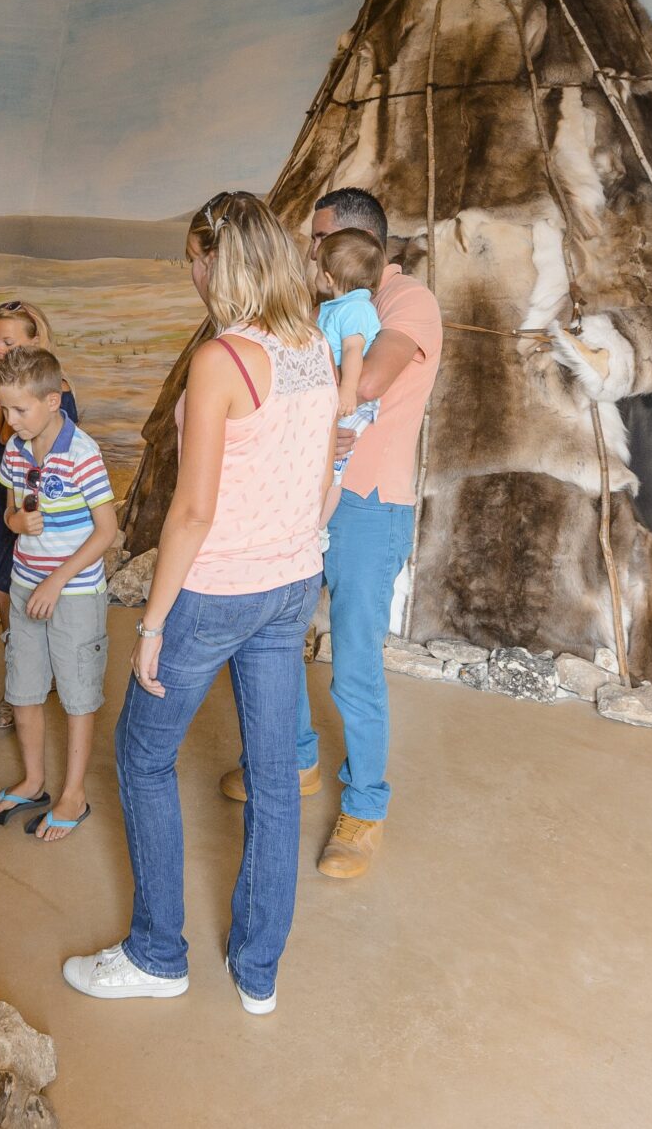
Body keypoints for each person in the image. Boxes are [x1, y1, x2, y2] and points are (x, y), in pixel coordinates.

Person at [63, 191, 336, 1015]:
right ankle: (258, 972)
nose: (189, 271)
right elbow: (324, 480)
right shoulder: (313, 347)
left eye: (193, 255)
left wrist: (150, 623)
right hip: (291, 585)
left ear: (218, 261)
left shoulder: (224, 358)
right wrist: (294, 550)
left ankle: (157, 955)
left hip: (218, 591)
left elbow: (193, 511)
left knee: (142, 755)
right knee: (277, 775)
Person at [216, 188, 444, 881]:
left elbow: (368, 379)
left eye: (316, 238)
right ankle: (297, 760)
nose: (306, 250)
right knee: (275, 636)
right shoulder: (330, 301)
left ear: (350, 238)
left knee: (353, 667)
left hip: (371, 506)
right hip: (307, 492)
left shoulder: (409, 303)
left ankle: (366, 807)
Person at [0, 346, 117, 843]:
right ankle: (35, 780)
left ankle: (73, 793)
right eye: (5, 409)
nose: (10, 422)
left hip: (74, 593)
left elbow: (107, 532)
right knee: (25, 686)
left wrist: (57, 580)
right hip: (24, 588)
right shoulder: (17, 450)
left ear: (54, 400)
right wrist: (17, 521)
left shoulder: (83, 454)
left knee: (78, 695)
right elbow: (10, 514)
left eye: (20, 410)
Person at [0, 301, 80, 731]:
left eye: (10, 341)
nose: (0, 349)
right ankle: (22, 672)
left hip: (41, 501)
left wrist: (15, 390)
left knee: (42, 585)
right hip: (7, 494)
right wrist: (5, 389)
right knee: (1, 585)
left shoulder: (58, 392)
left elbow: (11, 435)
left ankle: (43, 677)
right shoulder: (1, 392)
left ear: (35, 340)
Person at [312, 227, 388, 537]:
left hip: (350, 401)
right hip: (338, 397)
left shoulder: (355, 309)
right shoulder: (340, 308)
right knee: (322, 464)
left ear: (328, 278)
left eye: (318, 269)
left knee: (333, 470)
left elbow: (354, 351)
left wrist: (346, 391)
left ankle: (317, 529)